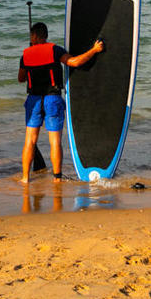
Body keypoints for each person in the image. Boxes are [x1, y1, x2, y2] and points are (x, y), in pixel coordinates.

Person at [18, 22, 104, 183]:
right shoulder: (55, 50)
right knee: (55, 141)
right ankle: (57, 178)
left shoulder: (25, 55)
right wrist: (94, 50)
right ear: (45, 36)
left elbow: (21, 78)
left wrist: (32, 60)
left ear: (34, 37)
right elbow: (75, 62)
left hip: (33, 99)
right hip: (52, 98)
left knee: (30, 140)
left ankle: (25, 178)